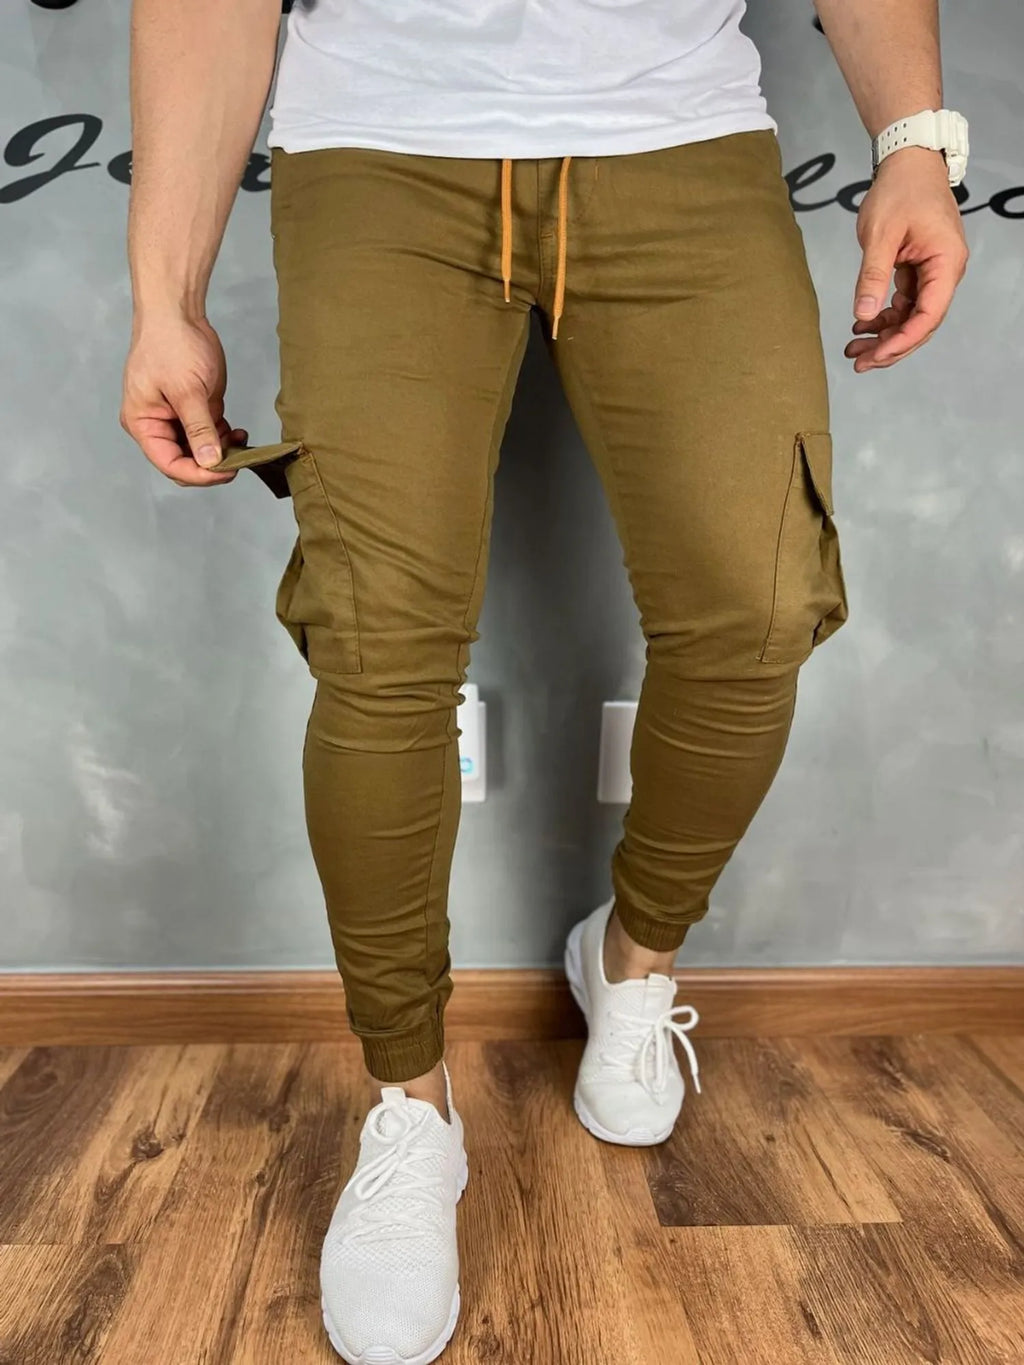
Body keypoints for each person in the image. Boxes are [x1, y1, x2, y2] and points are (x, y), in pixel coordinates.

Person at [121, 1, 969, 1360]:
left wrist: (915, 140)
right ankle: (409, 1112)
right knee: (377, 646)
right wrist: (166, 297)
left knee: (758, 608)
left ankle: (629, 958)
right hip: (382, 150)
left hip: (680, 137)